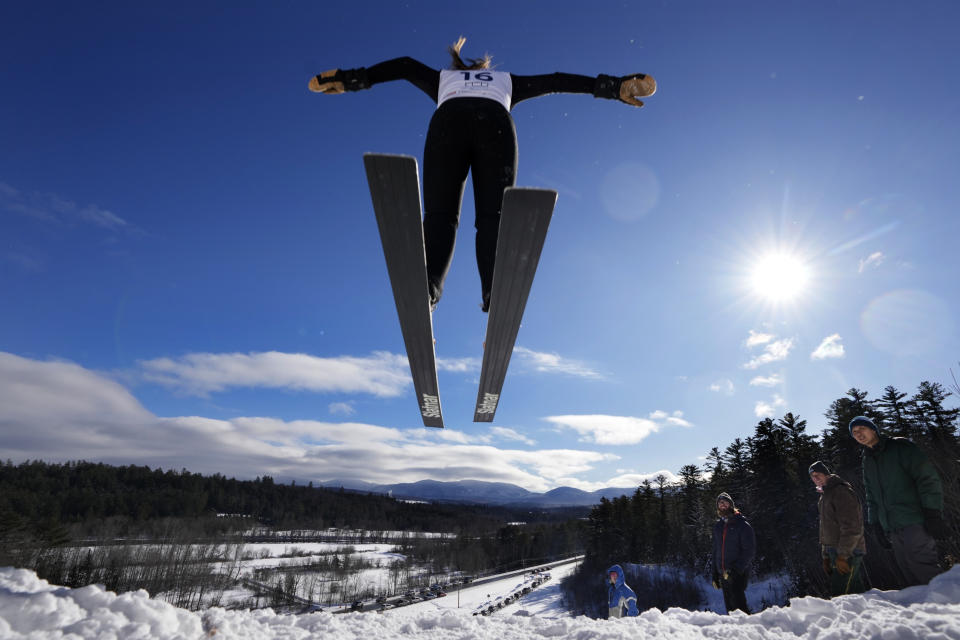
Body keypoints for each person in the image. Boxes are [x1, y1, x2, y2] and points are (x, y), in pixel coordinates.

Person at [310, 37, 656, 312]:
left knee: (440, 215)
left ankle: (427, 290)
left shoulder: (444, 78)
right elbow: (556, 81)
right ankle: (494, 294)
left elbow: (404, 66)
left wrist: (350, 79)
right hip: (496, 125)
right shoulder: (506, 80)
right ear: (483, 67)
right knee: (493, 218)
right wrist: (613, 86)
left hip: (449, 122)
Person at [849, 416, 947, 586]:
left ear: (873, 429)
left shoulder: (899, 447)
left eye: (861, 429)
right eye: (854, 433)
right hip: (892, 527)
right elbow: (871, 495)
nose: (858, 434)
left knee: (924, 570)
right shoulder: (868, 460)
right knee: (908, 574)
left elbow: (927, 478)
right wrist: (876, 524)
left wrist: (933, 512)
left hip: (915, 520)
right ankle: (927, 611)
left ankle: (948, 606)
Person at [808, 460, 867, 596]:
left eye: (818, 475)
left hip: (849, 550)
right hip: (835, 550)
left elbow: (852, 527)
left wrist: (842, 555)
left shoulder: (841, 491)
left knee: (841, 595)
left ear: (827, 474)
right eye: (813, 477)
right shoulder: (824, 496)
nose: (816, 479)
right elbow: (826, 528)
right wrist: (826, 556)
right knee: (855, 592)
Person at [711, 492, 755, 614]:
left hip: (738, 572)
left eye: (725, 502)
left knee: (739, 608)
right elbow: (716, 550)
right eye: (720, 503)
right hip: (723, 573)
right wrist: (715, 573)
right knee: (730, 608)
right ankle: (735, 631)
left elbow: (749, 550)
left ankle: (749, 630)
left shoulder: (742, 524)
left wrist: (736, 570)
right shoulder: (718, 526)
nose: (722, 505)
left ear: (731, 504)